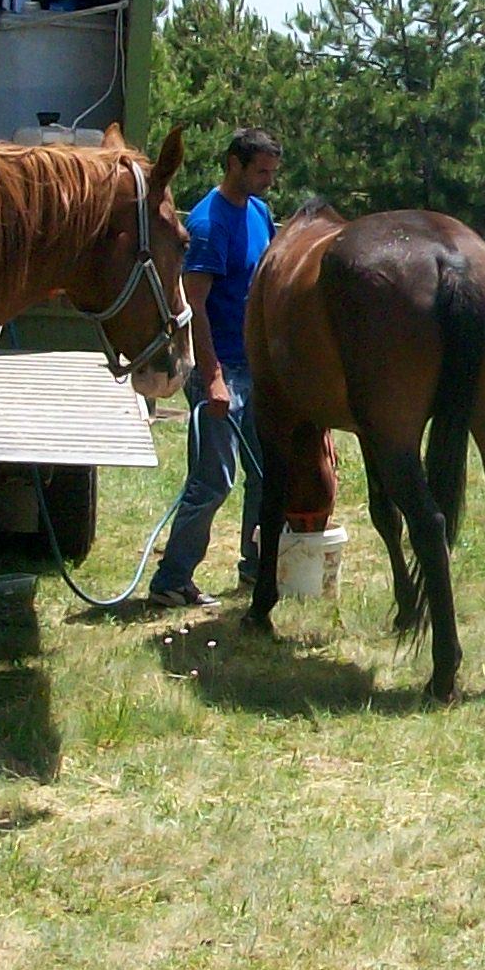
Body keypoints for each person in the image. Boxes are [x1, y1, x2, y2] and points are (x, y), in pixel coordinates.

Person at [144, 128, 282, 610]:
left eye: (272, 172)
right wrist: (214, 378)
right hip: (219, 367)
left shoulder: (259, 213)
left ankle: (257, 565)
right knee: (213, 480)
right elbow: (194, 305)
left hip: (255, 365)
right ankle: (170, 580)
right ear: (233, 164)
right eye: (260, 171)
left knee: (265, 472)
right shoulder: (208, 224)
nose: (268, 181)